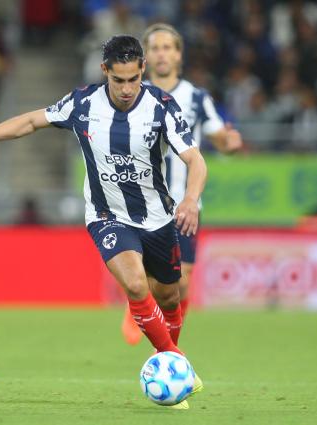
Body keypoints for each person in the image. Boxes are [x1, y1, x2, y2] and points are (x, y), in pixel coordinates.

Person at [0, 35, 205, 409]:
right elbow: (32, 121)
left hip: (157, 218)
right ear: (105, 71)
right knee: (135, 284)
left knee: (169, 295)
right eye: (118, 80)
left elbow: (196, 161)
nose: (126, 88)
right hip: (106, 216)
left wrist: (190, 200)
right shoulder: (83, 103)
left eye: (133, 79)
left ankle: (172, 359)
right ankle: (179, 367)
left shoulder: (161, 106)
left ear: (142, 72)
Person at [119, 23, 244, 345]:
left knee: (182, 282)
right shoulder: (131, 93)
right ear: (146, 57)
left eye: (168, 47)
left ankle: (169, 341)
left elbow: (218, 134)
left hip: (184, 202)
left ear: (178, 55)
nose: (162, 53)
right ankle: (138, 302)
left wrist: (229, 143)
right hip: (143, 200)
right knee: (145, 276)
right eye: (156, 47)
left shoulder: (197, 98)